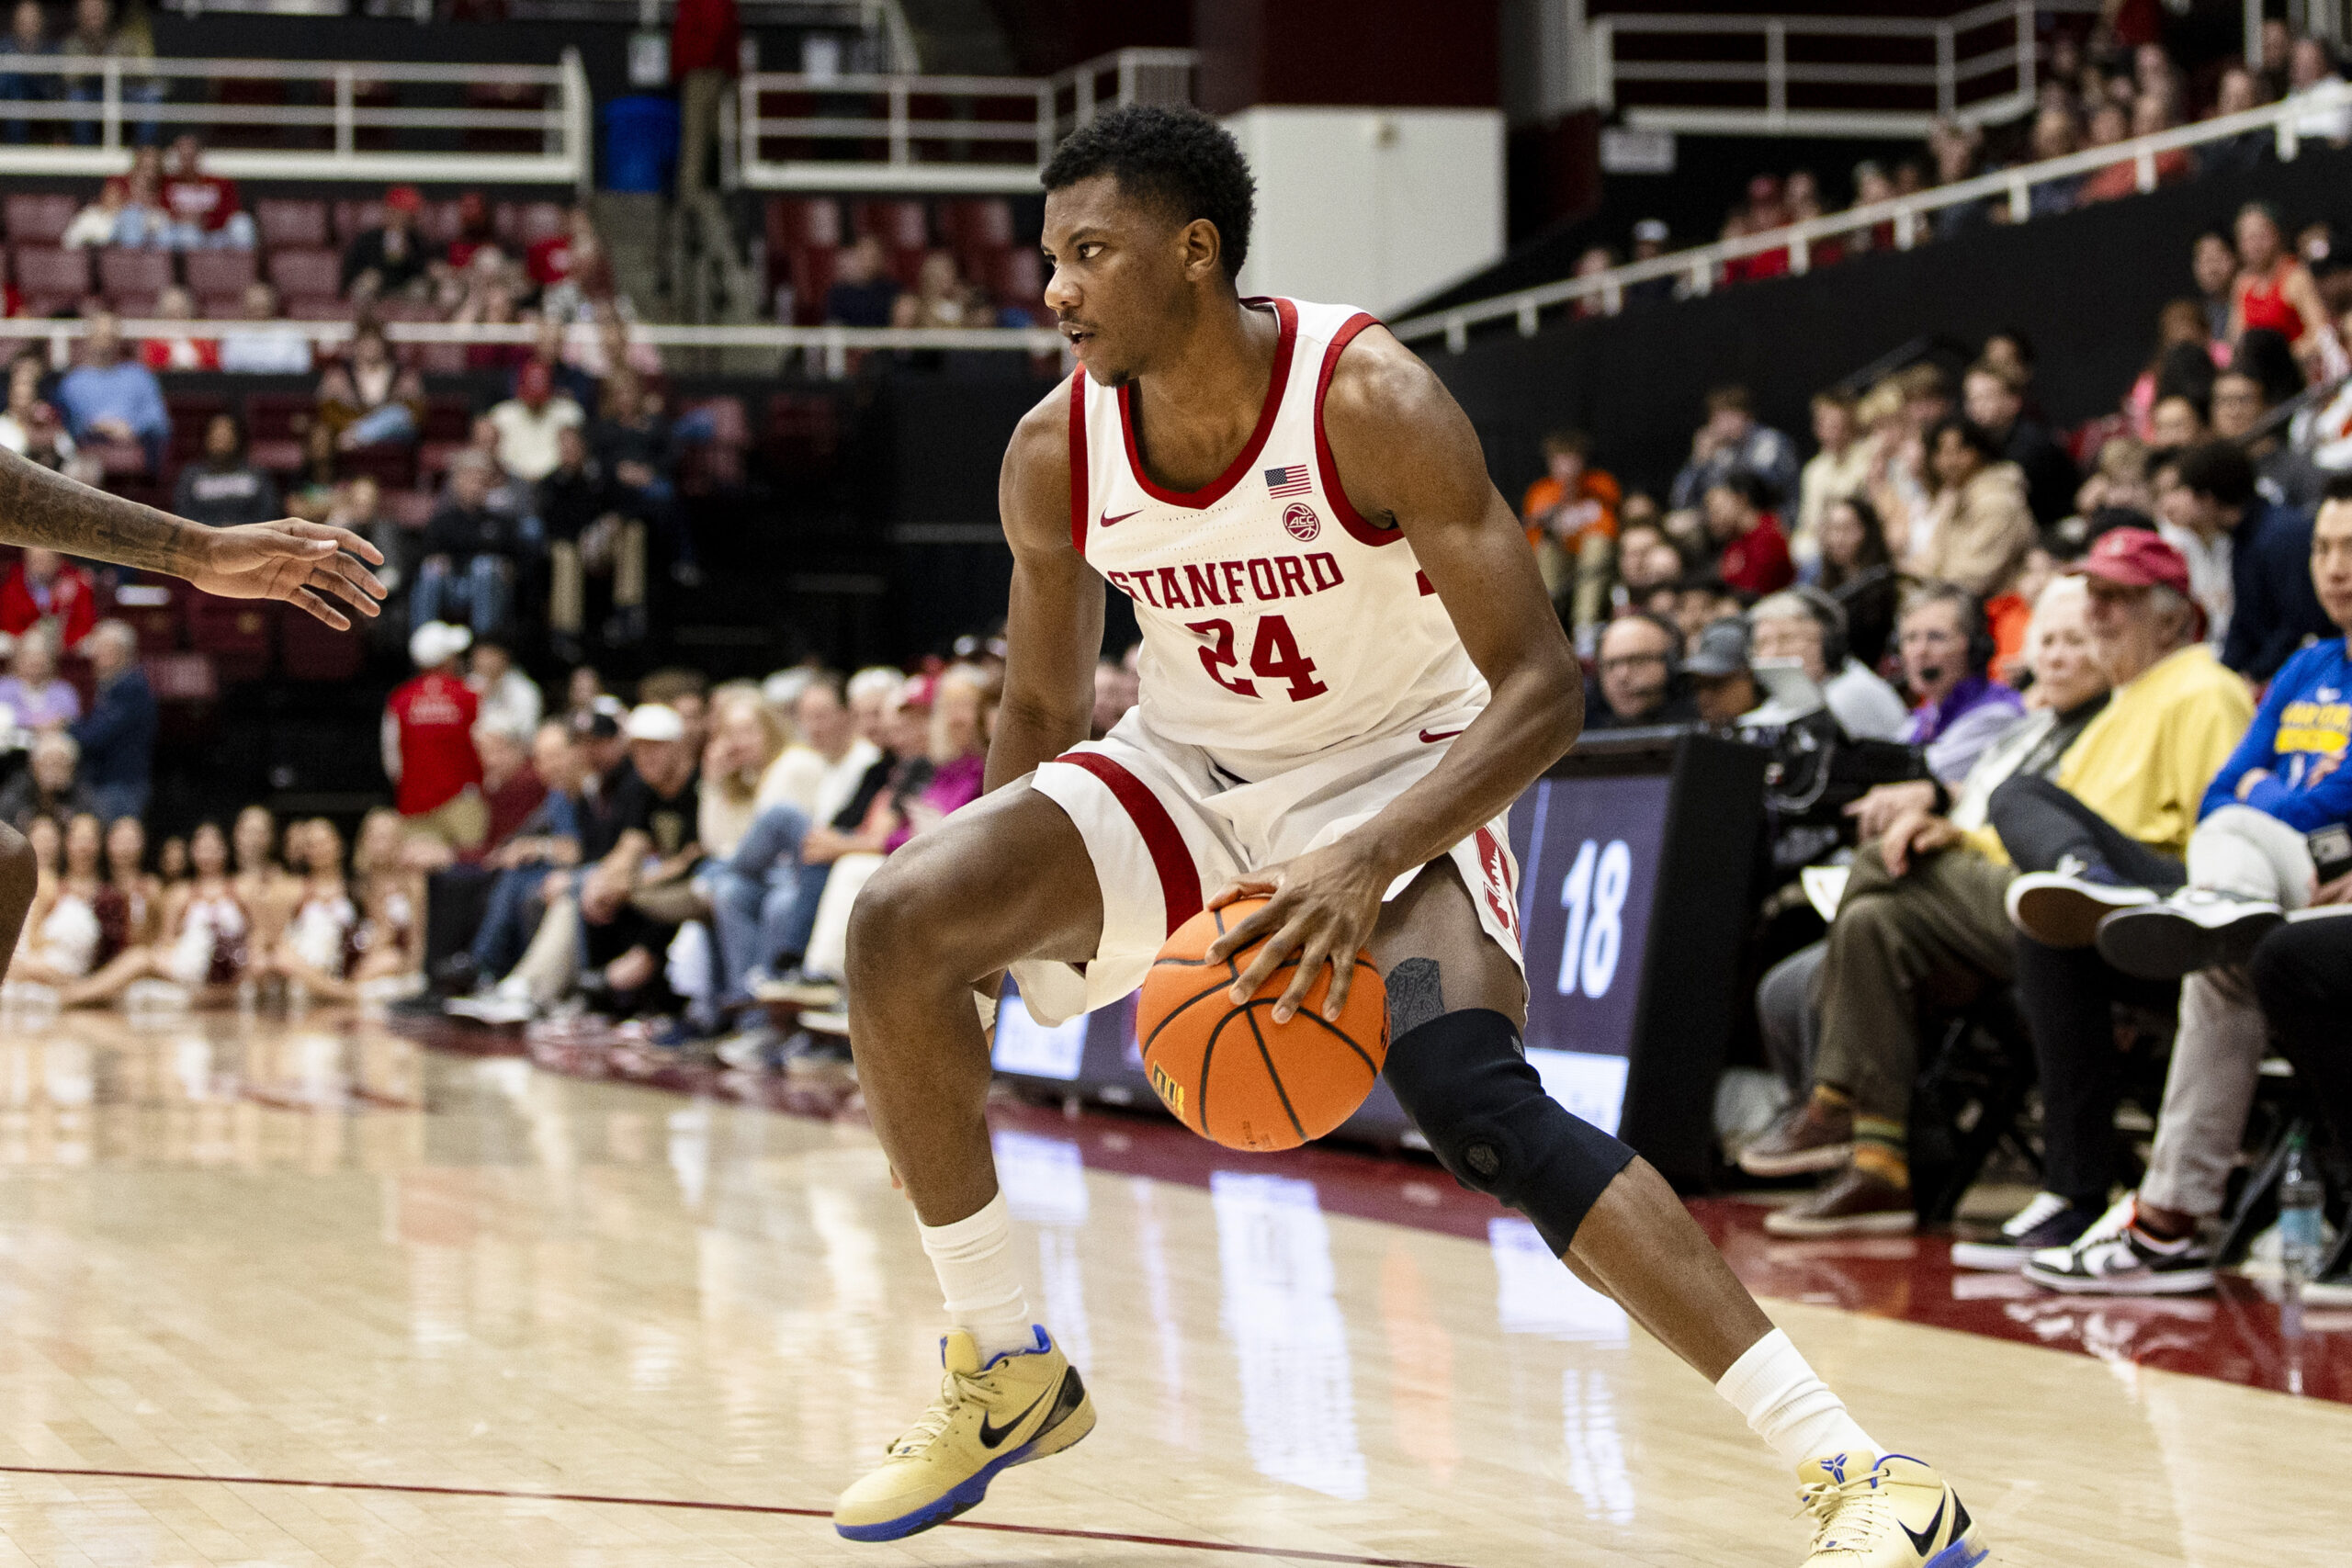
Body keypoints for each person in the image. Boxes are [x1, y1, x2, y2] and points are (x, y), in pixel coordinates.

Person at [828, 105, 1983, 1563]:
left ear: (1195, 253)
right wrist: (977, 960)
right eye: (1051, 254)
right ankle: (1002, 1361)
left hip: (1405, 777)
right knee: (896, 921)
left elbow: (1545, 689)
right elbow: (1045, 701)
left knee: (1475, 1096)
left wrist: (1363, 859)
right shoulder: (1057, 447)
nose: (1054, 287)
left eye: (1090, 252)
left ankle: (1866, 1471)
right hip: (1190, 768)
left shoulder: (1366, 397)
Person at [2020, 480, 2352, 1295]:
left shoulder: (2200, 682)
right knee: (2226, 892)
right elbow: (2223, 788)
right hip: (2271, 867)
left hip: (2308, 867)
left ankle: (2167, 1219)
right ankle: (2192, 905)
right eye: (2323, 549)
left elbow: (2330, 796)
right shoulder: (2308, 663)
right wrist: (2261, 802)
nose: (2336, 568)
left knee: (2235, 921)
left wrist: (2266, 801)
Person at [1740, 575, 2118, 1233]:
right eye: (2045, 641)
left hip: (2045, 912)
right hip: (1965, 909)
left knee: (1883, 861)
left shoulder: (2103, 726)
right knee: (1867, 920)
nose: (2053, 657)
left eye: (2073, 641)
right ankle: (1880, 1167)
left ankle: (1829, 1098)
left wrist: (1941, 826)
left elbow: (2068, 842)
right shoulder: (2023, 736)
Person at [2154, 441, 2330, 683]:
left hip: (2305, 673)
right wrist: (2222, 676)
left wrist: (2253, 674)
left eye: (2184, 491)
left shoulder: (2281, 536)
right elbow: (2245, 622)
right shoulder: (2242, 539)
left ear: (2207, 499)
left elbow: (2299, 625)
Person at [1893, 584, 2022, 786]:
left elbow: (1909, 777)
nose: (1920, 651)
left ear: (1974, 646)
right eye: (1910, 638)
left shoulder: (1997, 715)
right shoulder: (1920, 720)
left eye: (1936, 637)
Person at [1747, 589, 1908, 740]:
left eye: (1787, 638)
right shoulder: (1785, 701)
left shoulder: (1854, 691)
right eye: (1763, 643)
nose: (1774, 653)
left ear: (1828, 645)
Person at [383, 621, 486, 852]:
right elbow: (483, 745)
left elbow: (392, 758)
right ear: (447, 660)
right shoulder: (469, 694)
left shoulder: (400, 699)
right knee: (467, 871)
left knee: (419, 872)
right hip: (463, 801)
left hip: (414, 803)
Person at [1906, 416, 2033, 599]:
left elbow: (1975, 579)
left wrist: (1925, 594)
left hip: (1990, 608)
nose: (1947, 462)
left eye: (1956, 451)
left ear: (1978, 451)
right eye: (1940, 453)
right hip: (1947, 598)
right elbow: (1931, 558)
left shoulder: (1998, 502)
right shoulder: (1954, 497)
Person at [415, 452, 526, 638]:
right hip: (451, 586)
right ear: (456, 483)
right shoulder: (441, 521)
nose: (475, 487)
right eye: (469, 480)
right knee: (431, 571)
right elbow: (427, 556)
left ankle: (484, 645)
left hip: (490, 587)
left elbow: (518, 561)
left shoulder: (501, 522)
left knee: (484, 567)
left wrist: (509, 569)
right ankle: (425, 646)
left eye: (480, 481)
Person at [1960, 360, 2075, 527]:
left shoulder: (2033, 446)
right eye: (1972, 399)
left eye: (1987, 397)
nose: (1977, 407)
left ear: (2014, 401)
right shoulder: (1981, 443)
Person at [2228, 201, 2337, 374]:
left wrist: (2281, 358)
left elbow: (2321, 334)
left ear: (2277, 234)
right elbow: (2238, 342)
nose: (2255, 245)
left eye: (2261, 235)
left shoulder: (2295, 277)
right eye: (2248, 238)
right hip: (2261, 376)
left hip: (2297, 371)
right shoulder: (2242, 284)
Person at [54, 313, 168, 473]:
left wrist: (132, 428)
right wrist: (96, 426)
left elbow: (158, 420)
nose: (104, 344)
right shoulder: (73, 382)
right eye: (100, 336)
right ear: (89, 339)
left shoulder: (139, 376)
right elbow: (66, 423)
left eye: (109, 337)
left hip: (134, 449)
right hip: (88, 456)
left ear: (118, 340)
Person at [71, 618, 153, 822]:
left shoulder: (130, 688)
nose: (95, 655)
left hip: (120, 785)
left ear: (121, 652)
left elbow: (96, 736)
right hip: (109, 783)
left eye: (102, 648)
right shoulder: (111, 686)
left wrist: (65, 726)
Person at [1669, 384, 1800, 513]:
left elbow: (1764, 491)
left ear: (1748, 417)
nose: (1724, 426)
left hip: (1772, 518)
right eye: (1718, 419)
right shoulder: (1719, 452)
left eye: (1730, 417)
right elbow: (1679, 502)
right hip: (1724, 522)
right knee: (1678, 523)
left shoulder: (1770, 441)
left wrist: (1727, 493)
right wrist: (1697, 461)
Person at [1815, 495, 1897, 671]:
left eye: (1846, 529)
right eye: (1832, 529)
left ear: (1867, 530)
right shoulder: (1823, 584)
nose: (1837, 538)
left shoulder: (1882, 582)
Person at [1793, 392, 1870, 574]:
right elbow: (1807, 526)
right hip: (1822, 551)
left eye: (1836, 424)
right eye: (1823, 424)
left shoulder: (1870, 459)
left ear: (1851, 424)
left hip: (1859, 546)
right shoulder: (1814, 471)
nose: (1830, 431)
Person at [1586, 614, 1696, 730]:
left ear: (1671, 665)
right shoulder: (1580, 734)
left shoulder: (1701, 725)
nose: (1622, 676)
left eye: (1637, 661)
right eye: (1610, 664)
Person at [172, 412, 280, 529]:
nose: (221, 437)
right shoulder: (191, 476)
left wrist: (239, 530)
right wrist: (215, 531)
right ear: (207, 438)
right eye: (216, 433)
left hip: (250, 541)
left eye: (227, 433)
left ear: (237, 438)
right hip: (203, 542)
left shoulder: (256, 474)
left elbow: (269, 514)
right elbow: (182, 517)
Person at [488, 359, 584, 485]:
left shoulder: (569, 413)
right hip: (511, 479)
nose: (535, 403)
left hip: (558, 480)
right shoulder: (502, 415)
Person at [1702, 471, 1794, 596]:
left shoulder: (1770, 536)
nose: (1711, 519)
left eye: (1716, 509)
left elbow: (1758, 593)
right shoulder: (1735, 541)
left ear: (1741, 499)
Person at [157, 133, 254, 250]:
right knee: (188, 232)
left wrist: (206, 218)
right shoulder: (167, 183)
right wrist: (182, 218)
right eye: (183, 157)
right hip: (182, 235)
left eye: (190, 156)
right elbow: (161, 209)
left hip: (216, 234)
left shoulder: (220, 182)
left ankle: (246, 266)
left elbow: (231, 210)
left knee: (242, 222)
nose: (187, 162)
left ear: (198, 155)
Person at [342, 185, 439, 299]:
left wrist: (407, 253)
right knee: (366, 284)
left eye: (407, 214)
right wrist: (367, 275)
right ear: (388, 211)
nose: (401, 218)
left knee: (419, 289)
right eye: (398, 212)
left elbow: (421, 270)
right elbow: (351, 270)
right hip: (375, 289)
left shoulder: (416, 240)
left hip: (404, 289)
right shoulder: (368, 239)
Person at [0, 546, 96, 648]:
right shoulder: (13, 587)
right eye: (36, 561)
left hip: (68, 645)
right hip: (25, 645)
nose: (40, 567)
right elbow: (8, 624)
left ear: (57, 561)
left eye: (45, 560)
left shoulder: (76, 585)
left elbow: (85, 624)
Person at [0, 729, 95, 827]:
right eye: (49, 764)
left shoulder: (80, 792)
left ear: (72, 768)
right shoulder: (19, 788)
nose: (55, 771)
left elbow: (97, 825)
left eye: (61, 764)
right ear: (35, 766)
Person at [217, 283, 312, 376]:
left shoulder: (293, 332)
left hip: (284, 389)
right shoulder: (233, 334)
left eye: (264, 307)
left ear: (273, 306)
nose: (259, 313)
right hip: (244, 388)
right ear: (245, 307)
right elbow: (229, 370)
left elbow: (301, 370)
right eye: (255, 308)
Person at [0, 626, 78, 728]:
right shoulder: (4, 687)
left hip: (54, 739)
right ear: (17, 659)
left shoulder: (63, 691)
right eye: (29, 654)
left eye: (41, 654)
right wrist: (39, 723)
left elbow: (71, 719)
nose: (35, 660)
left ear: (50, 660)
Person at [467, 637, 541, 739]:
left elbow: (526, 730)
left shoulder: (524, 689)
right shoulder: (470, 684)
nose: (483, 661)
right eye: (479, 655)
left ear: (504, 657)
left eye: (489, 655)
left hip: (511, 748)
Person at [824, 235, 899, 328]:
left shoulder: (893, 291)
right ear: (857, 256)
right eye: (865, 254)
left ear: (881, 258)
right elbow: (833, 326)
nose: (869, 260)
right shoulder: (839, 293)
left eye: (874, 255)